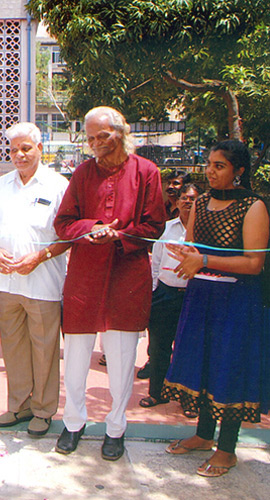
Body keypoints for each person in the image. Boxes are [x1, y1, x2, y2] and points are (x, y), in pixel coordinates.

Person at [53, 107, 166, 460]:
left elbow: (154, 226)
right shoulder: (83, 173)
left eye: (102, 136)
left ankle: (116, 429)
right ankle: (73, 423)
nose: (95, 144)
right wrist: (91, 228)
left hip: (126, 276)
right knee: (75, 358)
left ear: (121, 132)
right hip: (85, 277)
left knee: (121, 359)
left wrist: (119, 236)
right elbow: (63, 223)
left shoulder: (146, 172)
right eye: (90, 138)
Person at [162, 140, 269, 477]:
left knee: (228, 367)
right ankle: (204, 436)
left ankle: (227, 450)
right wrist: (186, 256)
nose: (210, 171)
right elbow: (193, 247)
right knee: (203, 362)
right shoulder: (201, 202)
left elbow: (253, 263)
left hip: (236, 301)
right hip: (201, 297)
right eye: (209, 164)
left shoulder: (253, 206)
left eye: (219, 166)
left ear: (239, 170)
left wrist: (204, 260)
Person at [0, 123, 69, 437]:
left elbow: (67, 237)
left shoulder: (57, 185)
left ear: (40, 149)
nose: (19, 155)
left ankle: (43, 410)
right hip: (7, 282)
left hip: (43, 282)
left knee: (45, 350)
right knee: (13, 348)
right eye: (13, 150)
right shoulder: (1, 185)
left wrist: (39, 257)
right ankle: (19, 405)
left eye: (25, 148)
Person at [138, 184, 203, 415]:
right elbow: (155, 262)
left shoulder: (203, 230)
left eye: (193, 198)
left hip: (193, 296)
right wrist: (155, 291)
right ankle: (157, 393)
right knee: (158, 347)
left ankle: (188, 400)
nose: (188, 202)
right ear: (177, 201)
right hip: (165, 294)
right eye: (184, 198)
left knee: (190, 349)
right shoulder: (166, 228)